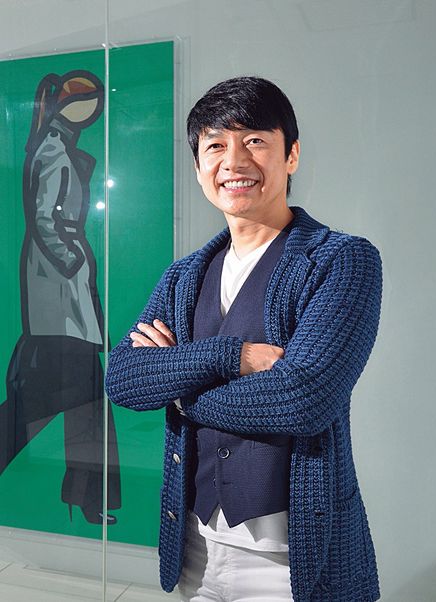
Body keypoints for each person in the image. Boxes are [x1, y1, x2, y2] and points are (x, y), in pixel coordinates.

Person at [105, 76, 382, 601]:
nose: (234, 161)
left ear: (291, 155)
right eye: (215, 145)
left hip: (291, 560)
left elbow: (302, 400)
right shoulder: (184, 276)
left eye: (254, 140)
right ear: (199, 169)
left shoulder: (341, 261)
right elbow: (124, 379)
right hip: (195, 546)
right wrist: (233, 356)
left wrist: (180, 391)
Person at [0, 71, 121, 525]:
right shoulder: (53, 148)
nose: (89, 113)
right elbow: (46, 219)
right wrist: (74, 262)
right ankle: (88, 498)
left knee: (83, 399)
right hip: (59, 294)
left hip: (62, 294)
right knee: (52, 401)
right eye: (83, 104)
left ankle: (88, 497)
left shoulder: (55, 145)